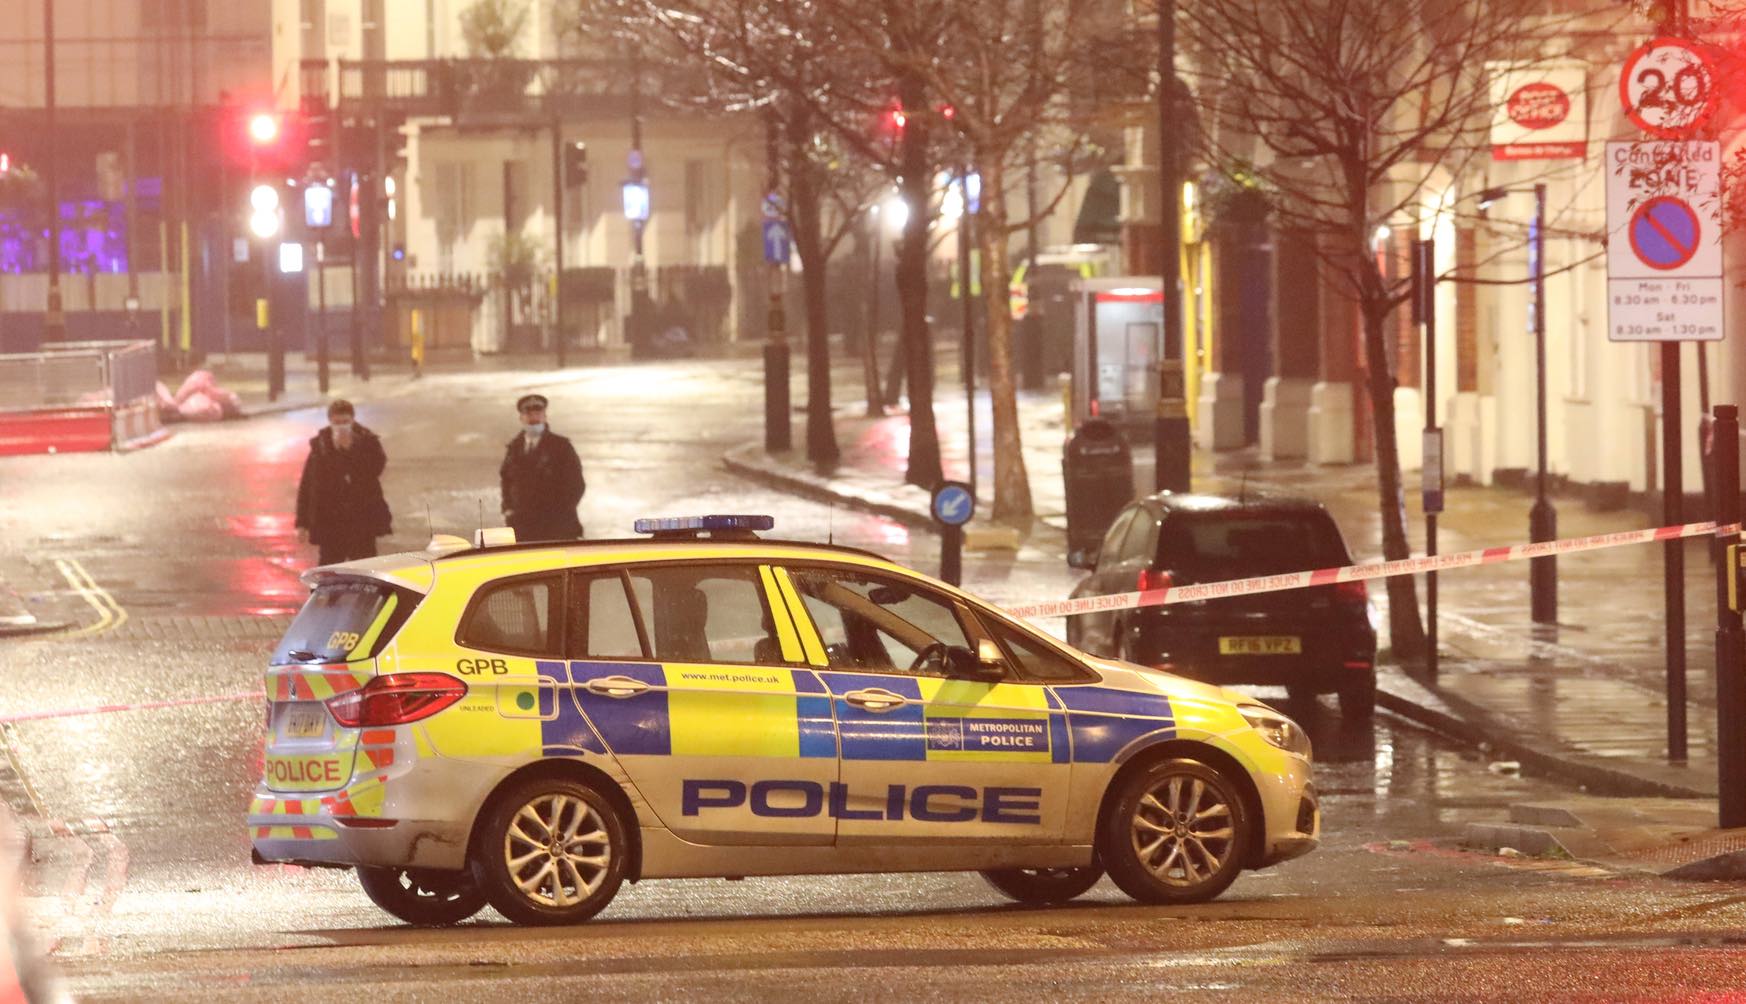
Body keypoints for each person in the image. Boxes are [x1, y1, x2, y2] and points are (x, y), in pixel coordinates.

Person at [295, 399, 392, 565]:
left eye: (345, 422)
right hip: (330, 522)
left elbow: (374, 470)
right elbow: (308, 484)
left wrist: (351, 450)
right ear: (330, 422)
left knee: (365, 572)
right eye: (337, 423)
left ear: (353, 420)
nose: (341, 427)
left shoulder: (368, 441)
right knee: (329, 574)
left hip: (361, 522)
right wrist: (302, 522)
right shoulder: (321, 445)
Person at [500, 393, 585, 542]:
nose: (534, 418)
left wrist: (561, 514)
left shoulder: (561, 446)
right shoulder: (514, 448)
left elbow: (576, 485)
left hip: (555, 527)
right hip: (522, 527)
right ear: (521, 418)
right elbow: (506, 480)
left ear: (545, 416)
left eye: (538, 413)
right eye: (528, 414)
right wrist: (508, 509)